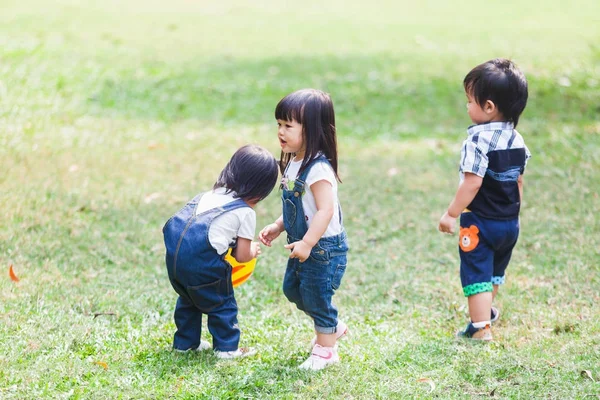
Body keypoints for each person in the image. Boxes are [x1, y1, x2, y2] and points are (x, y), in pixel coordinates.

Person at [438, 58, 531, 341]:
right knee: (493, 272)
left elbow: (472, 182)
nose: (467, 106)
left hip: (480, 223)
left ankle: (480, 329)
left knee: (476, 274)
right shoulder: (518, 140)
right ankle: (486, 313)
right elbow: (518, 181)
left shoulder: (476, 142)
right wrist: (514, 213)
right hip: (509, 223)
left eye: (469, 101)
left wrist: (451, 214)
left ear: (488, 107)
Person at [259, 89, 350, 370]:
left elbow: (325, 210)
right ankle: (331, 327)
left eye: (288, 126)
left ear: (311, 130)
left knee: (316, 296)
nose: (281, 132)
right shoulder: (293, 163)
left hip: (322, 249)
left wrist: (308, 243)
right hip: (303, 244)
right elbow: (297, 208)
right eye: (279, 125)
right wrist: (277, 225)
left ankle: (326, 349)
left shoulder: (318, 169)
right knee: (292, 290)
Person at [163, 144, 279, 357]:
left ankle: (185, 344)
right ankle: (226, 349)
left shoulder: (208, 195)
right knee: (222, 304)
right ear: (262, 190)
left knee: (189, 300)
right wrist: (253, 250)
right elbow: (241, 255)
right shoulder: (244, 212)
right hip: (203, 267)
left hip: (175, 263)